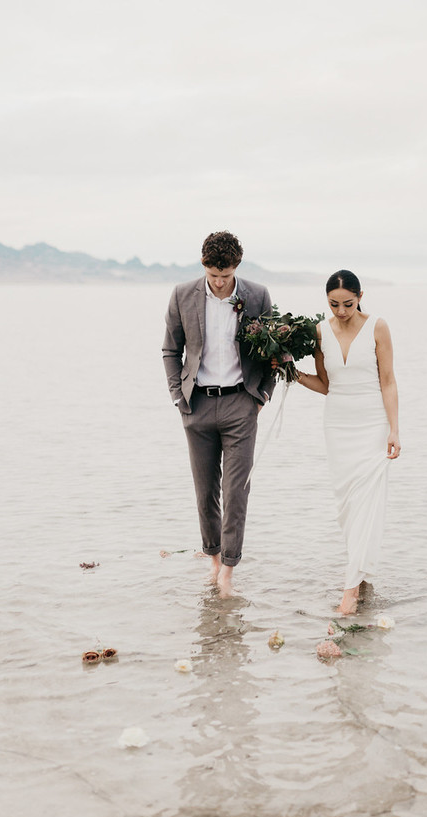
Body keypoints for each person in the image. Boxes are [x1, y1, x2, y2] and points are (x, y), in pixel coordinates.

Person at [162, 231, 275, 597]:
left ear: (236, 266)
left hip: (241, 403)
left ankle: (228, 568)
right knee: (205, 490)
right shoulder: (182, 295)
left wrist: (262, 395)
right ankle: (212, 559)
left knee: (236, 490)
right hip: (197, 405)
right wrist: (179, 397)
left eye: (225, 275)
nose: (220, 282)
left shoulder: (257, 296)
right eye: (213, 275)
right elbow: (170, 350)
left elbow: (274, 348)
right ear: (204, 266)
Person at [296, 270, 401, 615]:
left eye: (348, 304)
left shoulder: (378, 327)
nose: (341, 311)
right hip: (337, 425)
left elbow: (387, 381)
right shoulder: (320, 331)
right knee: (348, 508)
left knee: (367, 501)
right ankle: (362, 572)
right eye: (334, 304)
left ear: (360, 297)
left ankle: (351, 590)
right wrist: (290, 372)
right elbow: (326, 384)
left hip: (372, 423)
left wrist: (394, 429)